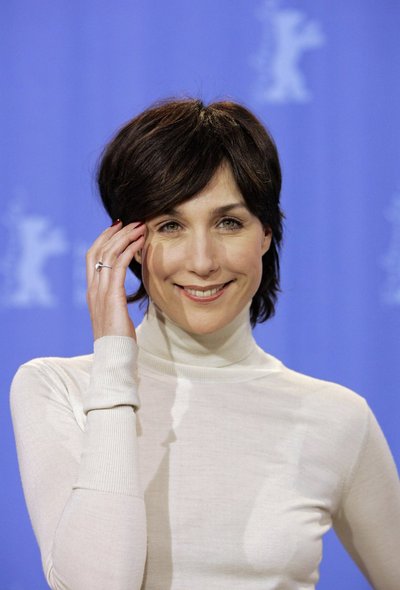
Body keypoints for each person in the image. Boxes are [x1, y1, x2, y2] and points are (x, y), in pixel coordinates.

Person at [10, 98, 400, 590]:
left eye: (228, 223)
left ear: (266, 234)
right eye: (170, 226)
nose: (202, 261)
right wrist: (113, 359)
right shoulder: (57, 387)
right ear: (127, 244)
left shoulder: (338, 417)